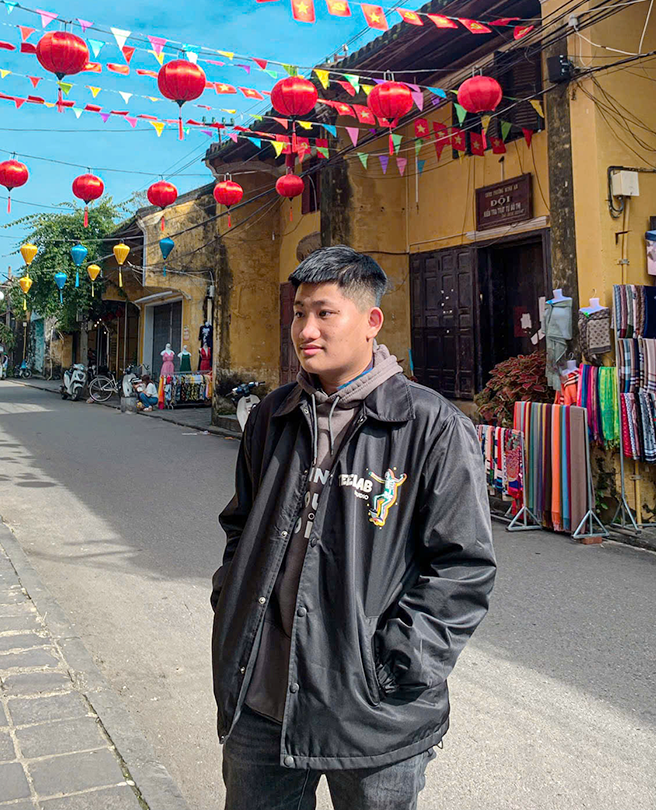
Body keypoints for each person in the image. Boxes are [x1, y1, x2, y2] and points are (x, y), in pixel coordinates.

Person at [211, 245, 496, 810]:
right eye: (298, 313)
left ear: (371, 322)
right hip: (261, 698)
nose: (306, 329)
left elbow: (462, 567)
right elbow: (241, 525)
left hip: (371, 713)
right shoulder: (273, 416)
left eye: (324, 312)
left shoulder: (430, 425)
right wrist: (230, 601)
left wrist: (398, 666)